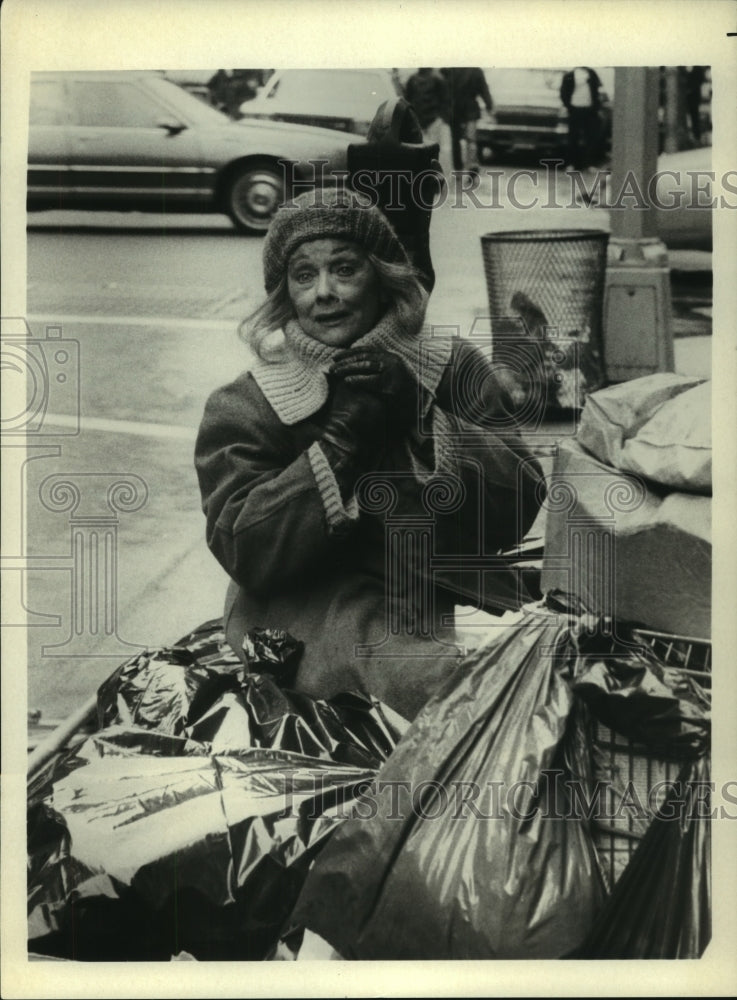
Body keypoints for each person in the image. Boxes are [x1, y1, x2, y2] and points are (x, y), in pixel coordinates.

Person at [195, 187, 545, 721]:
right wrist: (338, 449)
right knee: (453, 695)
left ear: (382, 276)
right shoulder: (247, 403)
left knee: (553, 665)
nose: (325, 293)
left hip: (429, 600)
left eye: (345, 269)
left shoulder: (449, 366)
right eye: (304, 275)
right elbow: (248, 554)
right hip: (305, 618)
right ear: (285, 294)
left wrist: (422, 421)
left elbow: (517, 505)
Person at [441, 67, 493, 174]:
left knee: (455, 140)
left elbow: (443, 89)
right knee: (471, 138)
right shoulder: (476, 71)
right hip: (471, 108)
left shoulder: (449, 70)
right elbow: (483, 89)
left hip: (454, 109)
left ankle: (458, 167)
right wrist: (489, 105)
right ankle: (472, 164)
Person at [403, 68, 451, 174]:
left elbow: (407, 99)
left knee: (423, 149)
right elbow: (446, 100)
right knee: (429, 149)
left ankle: (426, 173)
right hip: (429, 119)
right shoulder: (437, 78)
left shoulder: (414, 79)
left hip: (427, 120)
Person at [559, 67, 603, 171]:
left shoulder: (592, 74)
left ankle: (589, 164)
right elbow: (564, 92)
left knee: (590, 138)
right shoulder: (570, 75)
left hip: (590, 110)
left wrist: (596, 107)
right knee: (573, 137)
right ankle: (572, 164)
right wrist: (569, 106)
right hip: (575, 109)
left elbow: (597, 90)